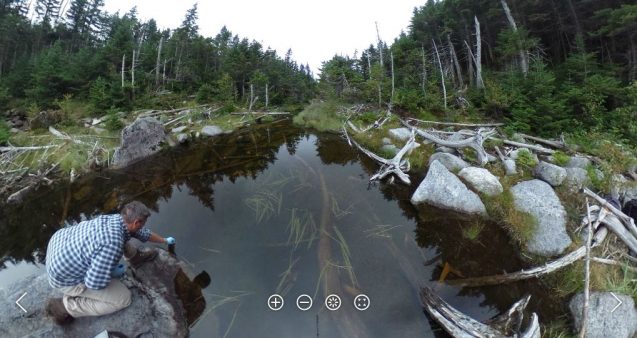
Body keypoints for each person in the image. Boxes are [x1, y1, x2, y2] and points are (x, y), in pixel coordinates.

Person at [44, 201, 176, 325]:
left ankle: (134, 257)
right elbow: (94, 283)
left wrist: (164, 240)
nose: (144, 226)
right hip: (65, 279)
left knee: (119, 240)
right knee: (123, 299)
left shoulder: (116, 219)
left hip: (58, 245)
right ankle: (66, 306)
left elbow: (141, 233)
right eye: (143, 223)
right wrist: (111, 272)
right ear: (136, 222)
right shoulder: (112, 243)